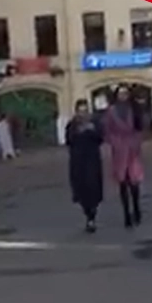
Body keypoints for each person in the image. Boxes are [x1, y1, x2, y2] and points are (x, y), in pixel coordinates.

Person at [104, 85, 145, 228]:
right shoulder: (111, 111)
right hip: (119, 151)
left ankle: (137, 209)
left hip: (133, 150)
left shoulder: (133, 109)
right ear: (116, 95)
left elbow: (140, 128)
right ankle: (126, 214)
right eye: (120, 93)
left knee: (134, 182)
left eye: (125, 93)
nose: (123, 96)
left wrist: (137, 142)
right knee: (123, 183)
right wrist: (114, 142)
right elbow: (108, 130)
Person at [65, 99, 105, 233]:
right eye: (80, 111)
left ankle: (92, 215)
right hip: (78, 162)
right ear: (76, 112)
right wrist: (78, 132)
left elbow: (100, 138)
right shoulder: (72, 125)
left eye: (85, 111)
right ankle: (87, 213)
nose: (83, 114)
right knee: (81, 190)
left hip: (92, 160)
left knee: (93, 187)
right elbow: (69, 141)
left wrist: (92, 131)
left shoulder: (94, 123)